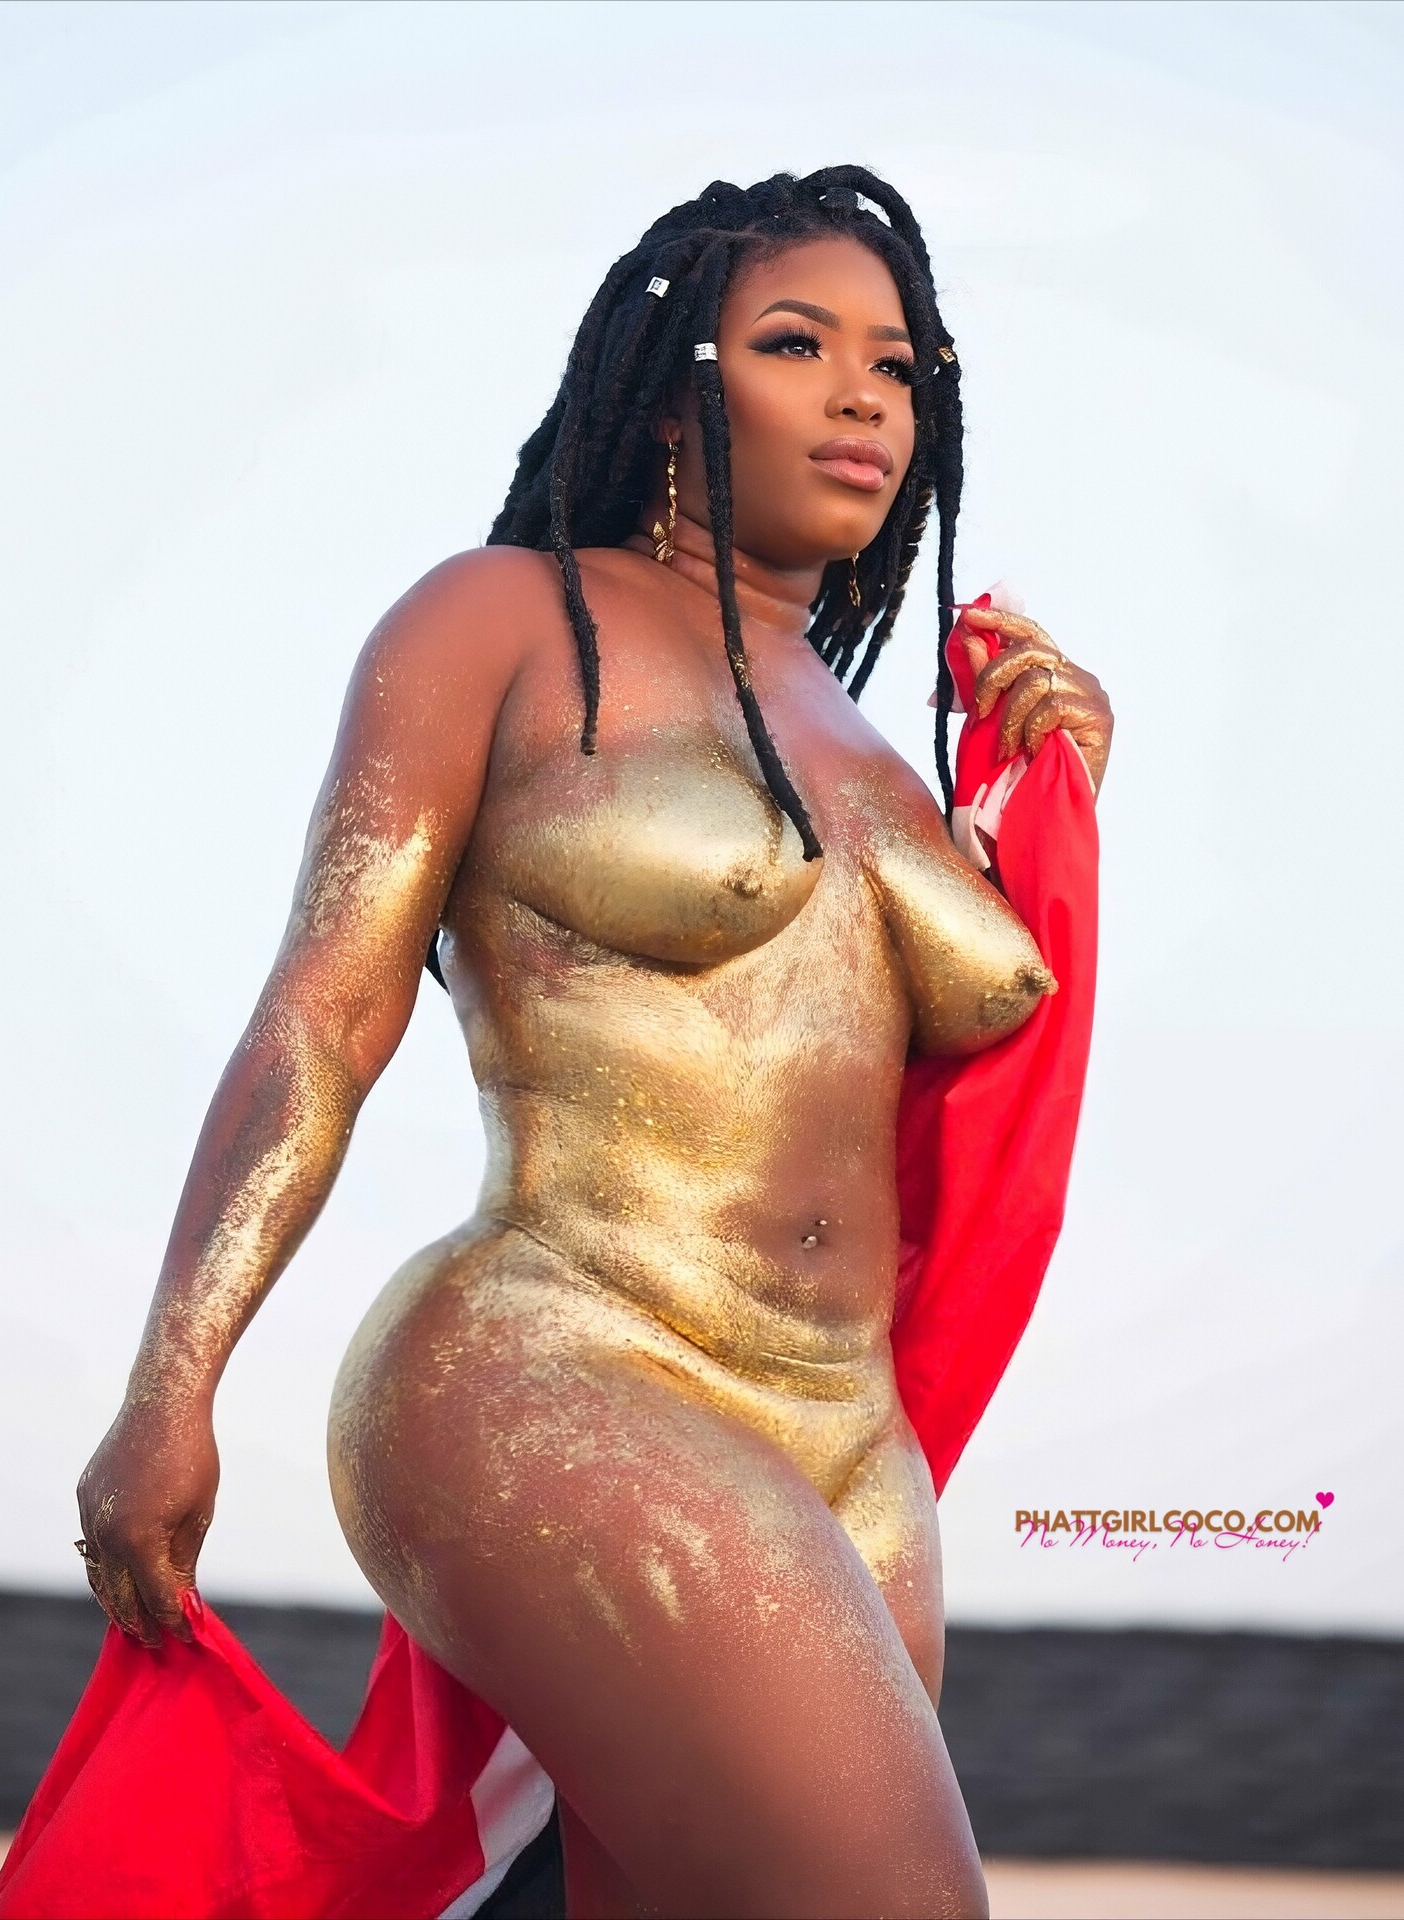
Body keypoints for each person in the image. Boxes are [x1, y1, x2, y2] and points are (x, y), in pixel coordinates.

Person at [68, 166, 1112, 1920]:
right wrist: (172, 1382)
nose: (866, 397)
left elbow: (964, 1100)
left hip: (851, 1448)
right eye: (800, 345)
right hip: (556, 1362)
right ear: (680, 389)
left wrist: (1061, 795)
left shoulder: (881, 755)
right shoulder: (503, 621)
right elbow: (326, 1012)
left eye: (902, 366)